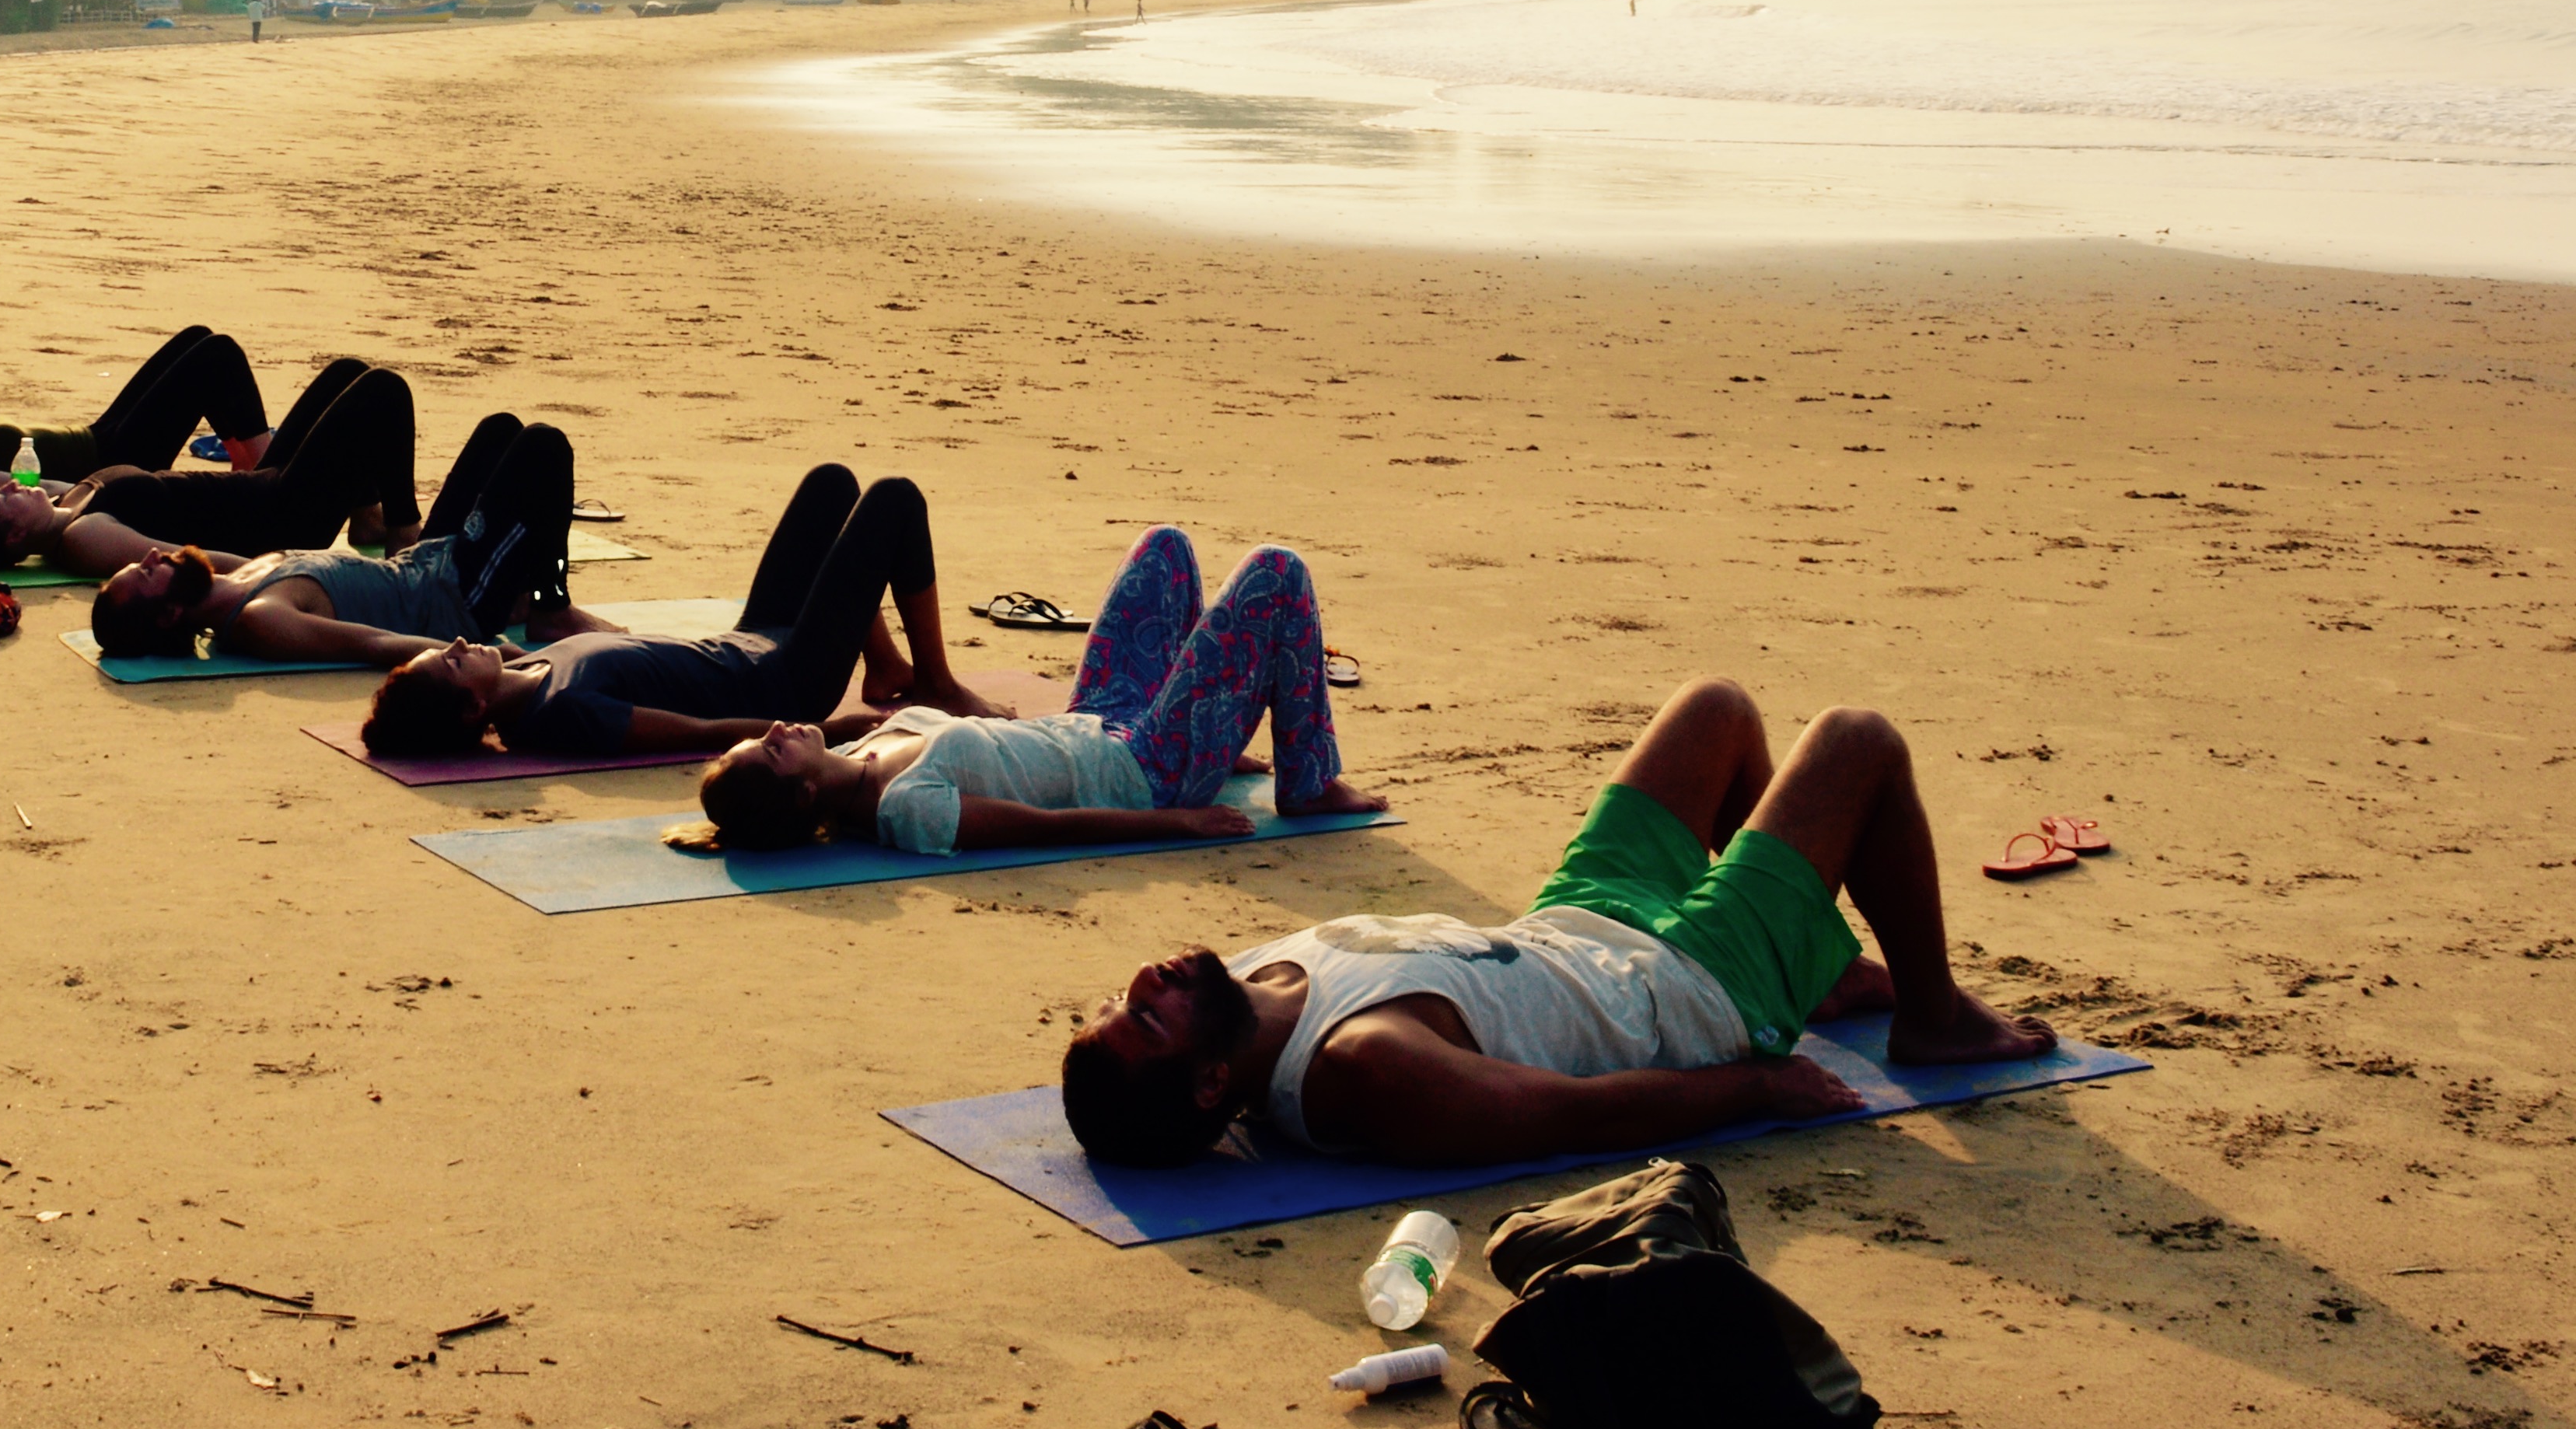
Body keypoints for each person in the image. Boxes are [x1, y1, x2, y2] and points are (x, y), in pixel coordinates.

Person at [1055, 678, 2053, 1169]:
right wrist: (1755, 1082)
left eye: (1117, 999)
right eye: (1145, 1018)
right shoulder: (1359, 1064)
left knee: (1716, 710)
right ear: (1214, 1083)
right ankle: (1933, 1015)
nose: (1144, 980)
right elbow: (1570, 1115)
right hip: (1687, 992)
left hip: (1581, 919)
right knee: (1857, 739)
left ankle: (1817, 970)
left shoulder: (1236, 988)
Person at [683, 526, 1380, 853]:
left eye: (763, 736)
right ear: (805, 796)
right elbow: (1049, 828)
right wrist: (1178, 821)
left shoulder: (869, 743)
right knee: (1275, 571)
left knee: (1164, 549)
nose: (778, 731)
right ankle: (1309, 781)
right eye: (773, 753)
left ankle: (1214, 740)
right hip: (1147, 775)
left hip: (1103, 720)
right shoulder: (908, 811)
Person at [358, 465, 1008, 760]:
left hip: (753, 638)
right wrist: (841, 729)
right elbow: (699, 734)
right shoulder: (561, 713)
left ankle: (887, 662)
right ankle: (939, 686)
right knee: (894, 500)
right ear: (473, 708)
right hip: (788, 679)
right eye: (447, 663)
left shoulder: (524, 669)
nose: (453, 646)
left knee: (831, 485)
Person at [86, 414, 586, 666]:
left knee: (500, 431)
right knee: (542, 446)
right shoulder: (262, 619)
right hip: (457, 598)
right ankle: (548, 606)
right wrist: (497, 656)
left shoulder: (234, 577)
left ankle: (523, 592)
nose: (152, 555)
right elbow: (375, 644)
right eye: (148, 572)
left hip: (427, 559)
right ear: (171, 614)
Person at [0, 360, 430, 575]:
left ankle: (366, 517)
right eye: (5, 497)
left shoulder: (66, 505)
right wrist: (280, 567)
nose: (12, 484)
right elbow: (192, 561)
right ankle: (403, 537)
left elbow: (42, 484)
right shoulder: (86, 539)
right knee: (383, 391)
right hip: (282, 516)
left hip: (260, 488)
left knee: (347, 374)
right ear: (13, 535)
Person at [0, 324, 344, 505]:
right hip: (115, 457)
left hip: (103, 432)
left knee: (197, 338)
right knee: (218, 354)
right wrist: (110, 494)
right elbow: (33, 490)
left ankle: (249, 468)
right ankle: (262, 476)